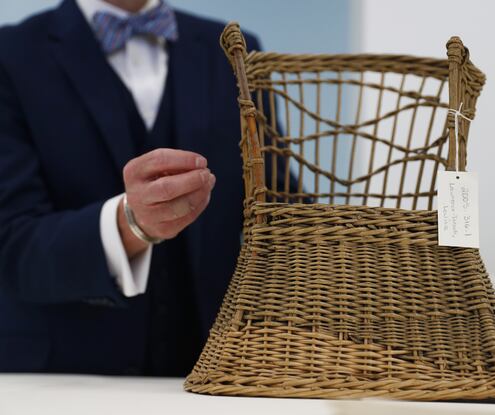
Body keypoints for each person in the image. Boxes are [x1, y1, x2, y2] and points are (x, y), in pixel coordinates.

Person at [0, 0, 291, 376]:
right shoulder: (11, 55)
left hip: (217, 376)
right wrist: (130, 224)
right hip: (62, 381)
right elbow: (10, 241)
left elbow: (279, 206)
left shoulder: (236, 51)